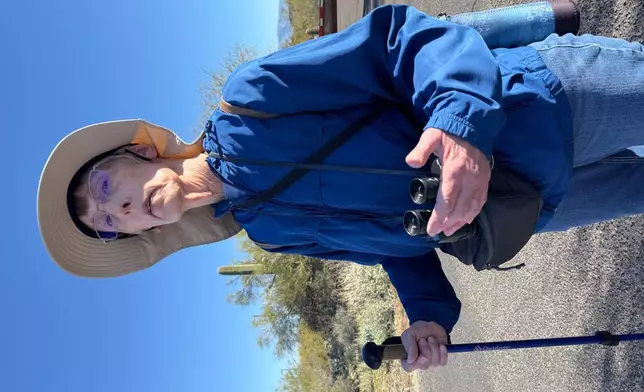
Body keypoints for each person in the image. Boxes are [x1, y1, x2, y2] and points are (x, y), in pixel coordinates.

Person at [36, 4, 644, 373]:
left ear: (143, 153)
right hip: (527, 207)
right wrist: (427, 318)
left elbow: (391, 41)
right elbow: (388, 243)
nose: (116, 208)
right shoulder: (270, 232)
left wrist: (461, 123)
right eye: (109, 223)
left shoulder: (250, 105)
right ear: (139, 234)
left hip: (538, 104)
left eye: (107, 184)